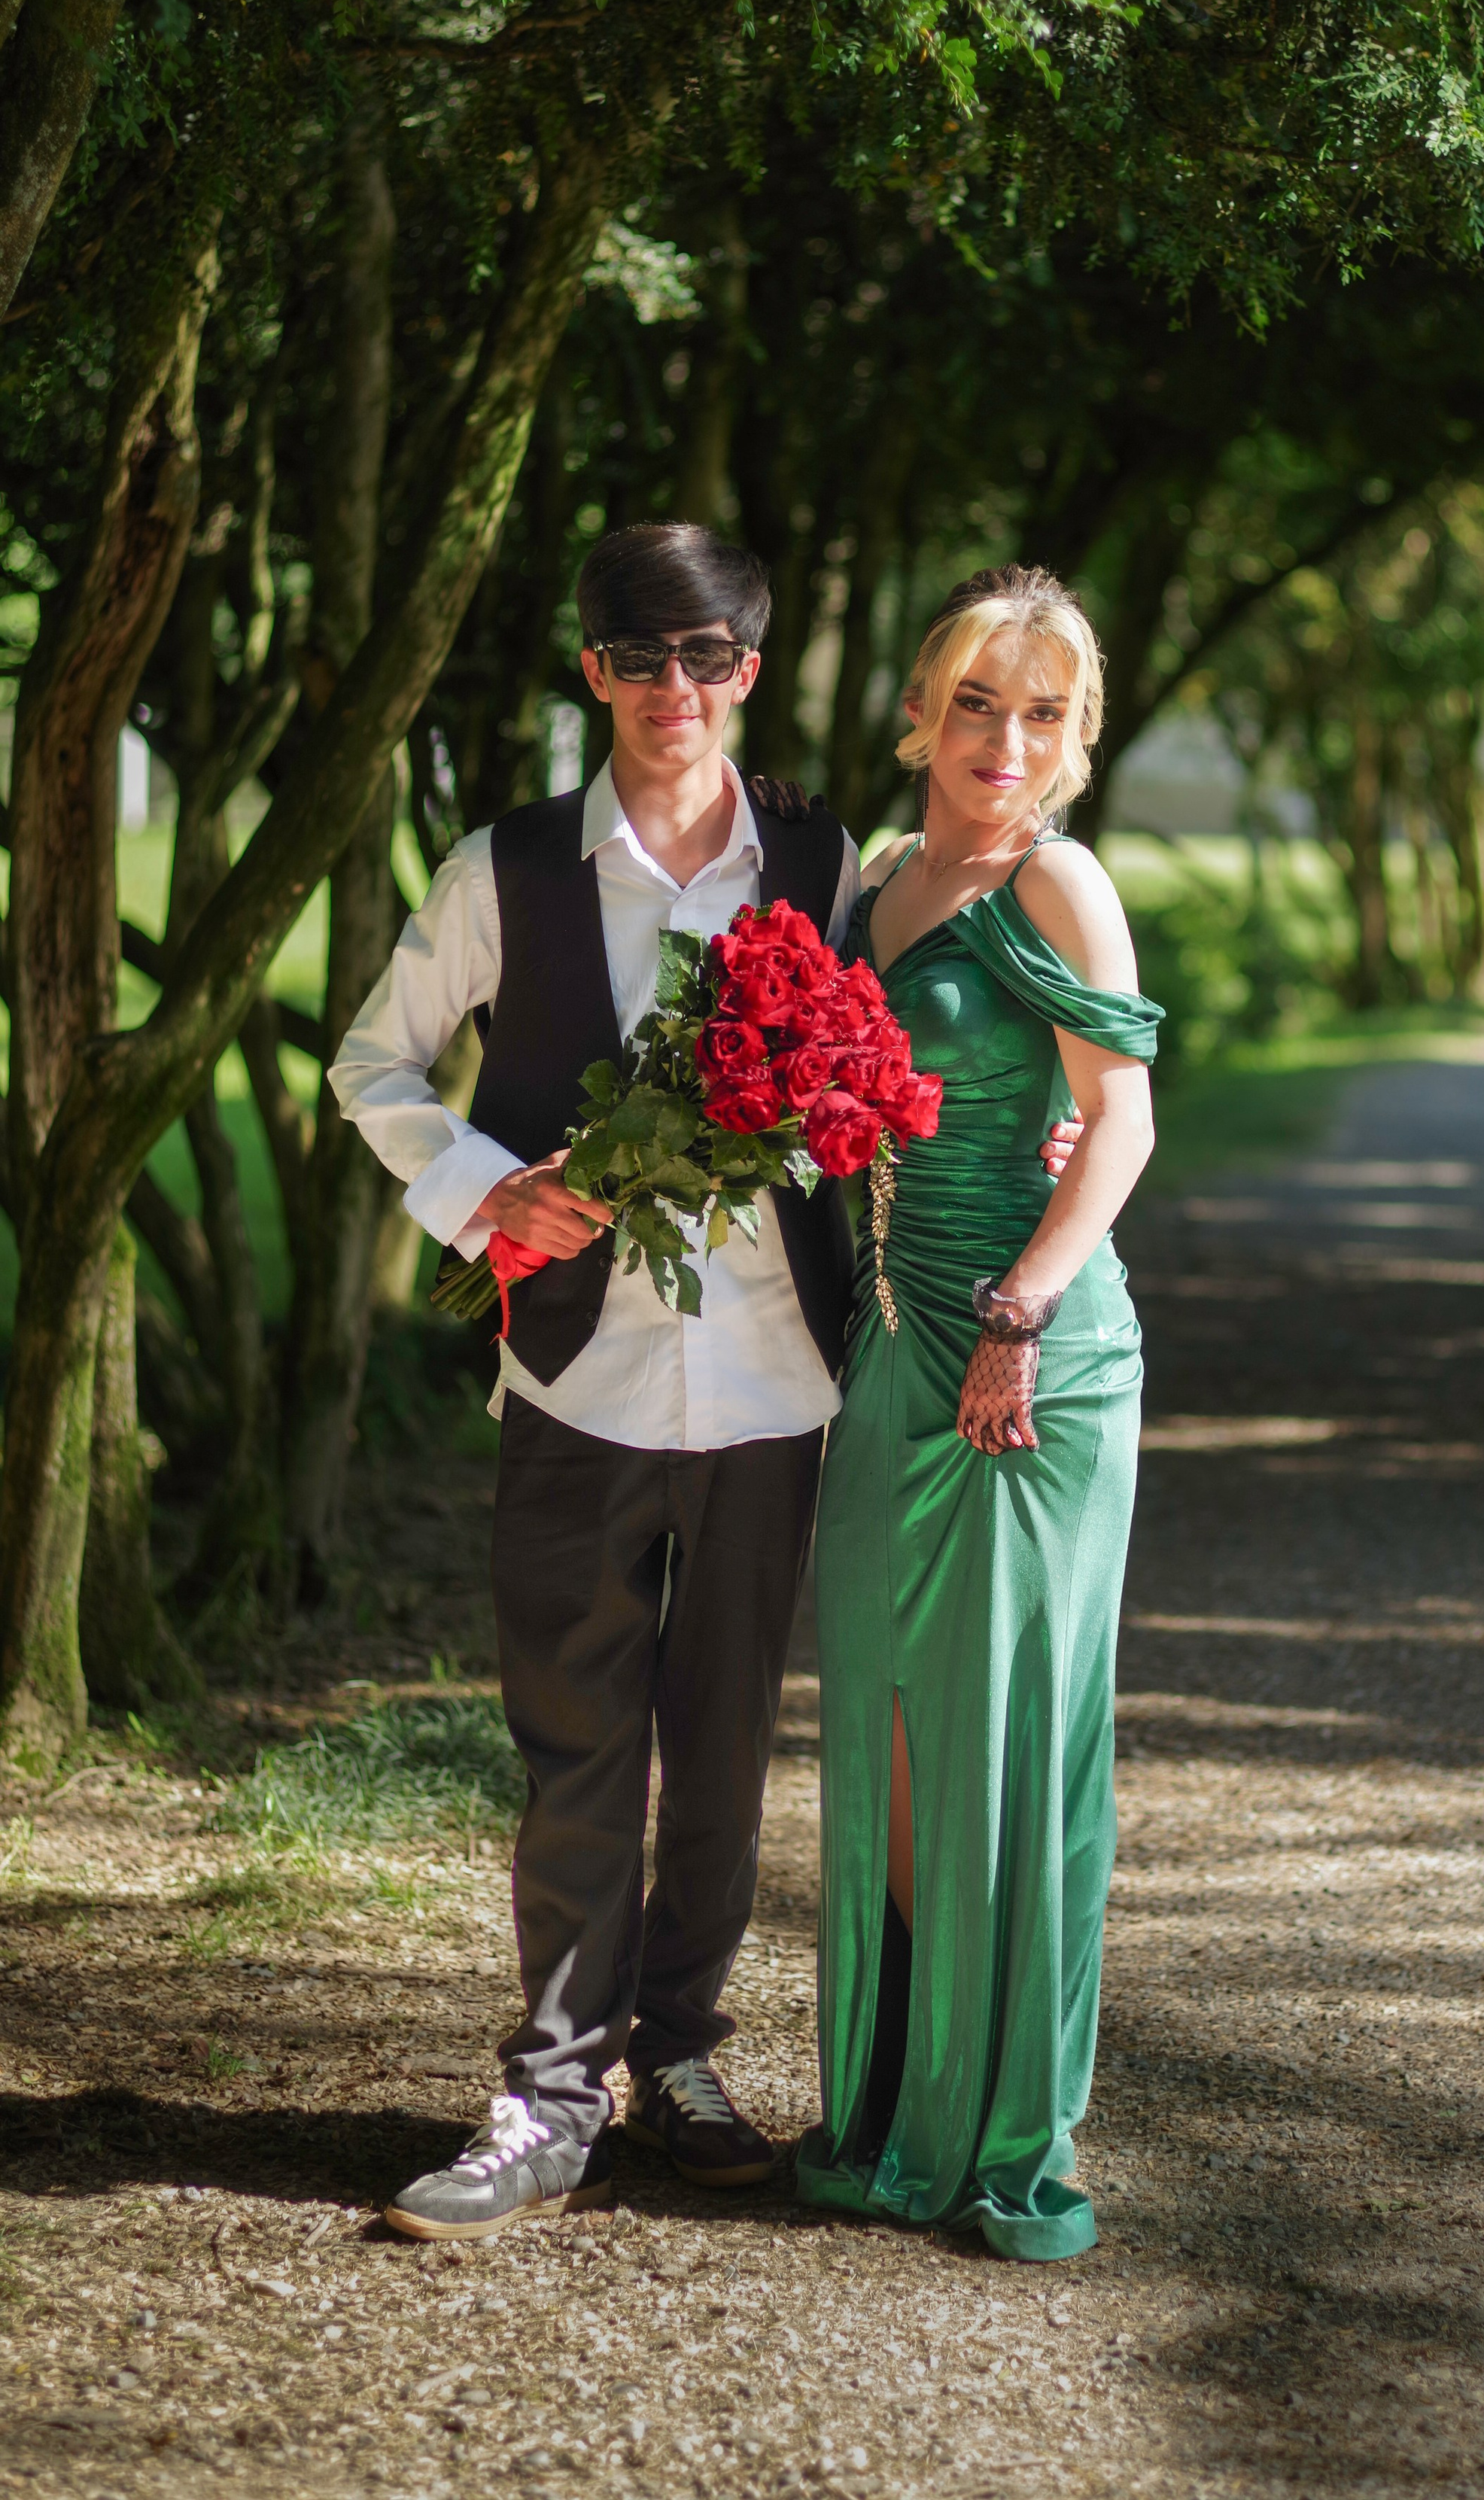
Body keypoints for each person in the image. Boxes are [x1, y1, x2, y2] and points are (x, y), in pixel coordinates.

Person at [330, 523, 1078, 2240]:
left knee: (725, 1748)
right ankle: (548, 2088)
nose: (675, 691)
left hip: (779, 1383)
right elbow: (371, 1058)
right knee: (574, 1737)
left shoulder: (830, 864)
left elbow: (943, 1022)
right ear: (590, 671)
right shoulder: (503, 867)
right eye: (638, 659)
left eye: (708, 659)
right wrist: (479, 1189)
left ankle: (678, 2057)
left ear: (748, 669)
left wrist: (1045, 1125)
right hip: (572, 1375)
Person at [795, 565, 1161, 2262]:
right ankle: (891, 2089)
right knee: (881, 1725)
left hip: (1030, 1356)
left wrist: (1016, 1312)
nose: (998, 740)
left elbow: (1124, 1127)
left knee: (1002, 1730)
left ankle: (998, 2119)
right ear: (919, 712)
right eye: (971, 703)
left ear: (1074, 736)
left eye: (1037, 711)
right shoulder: (876, 881)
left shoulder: (1059, 882)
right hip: (888, 1345)